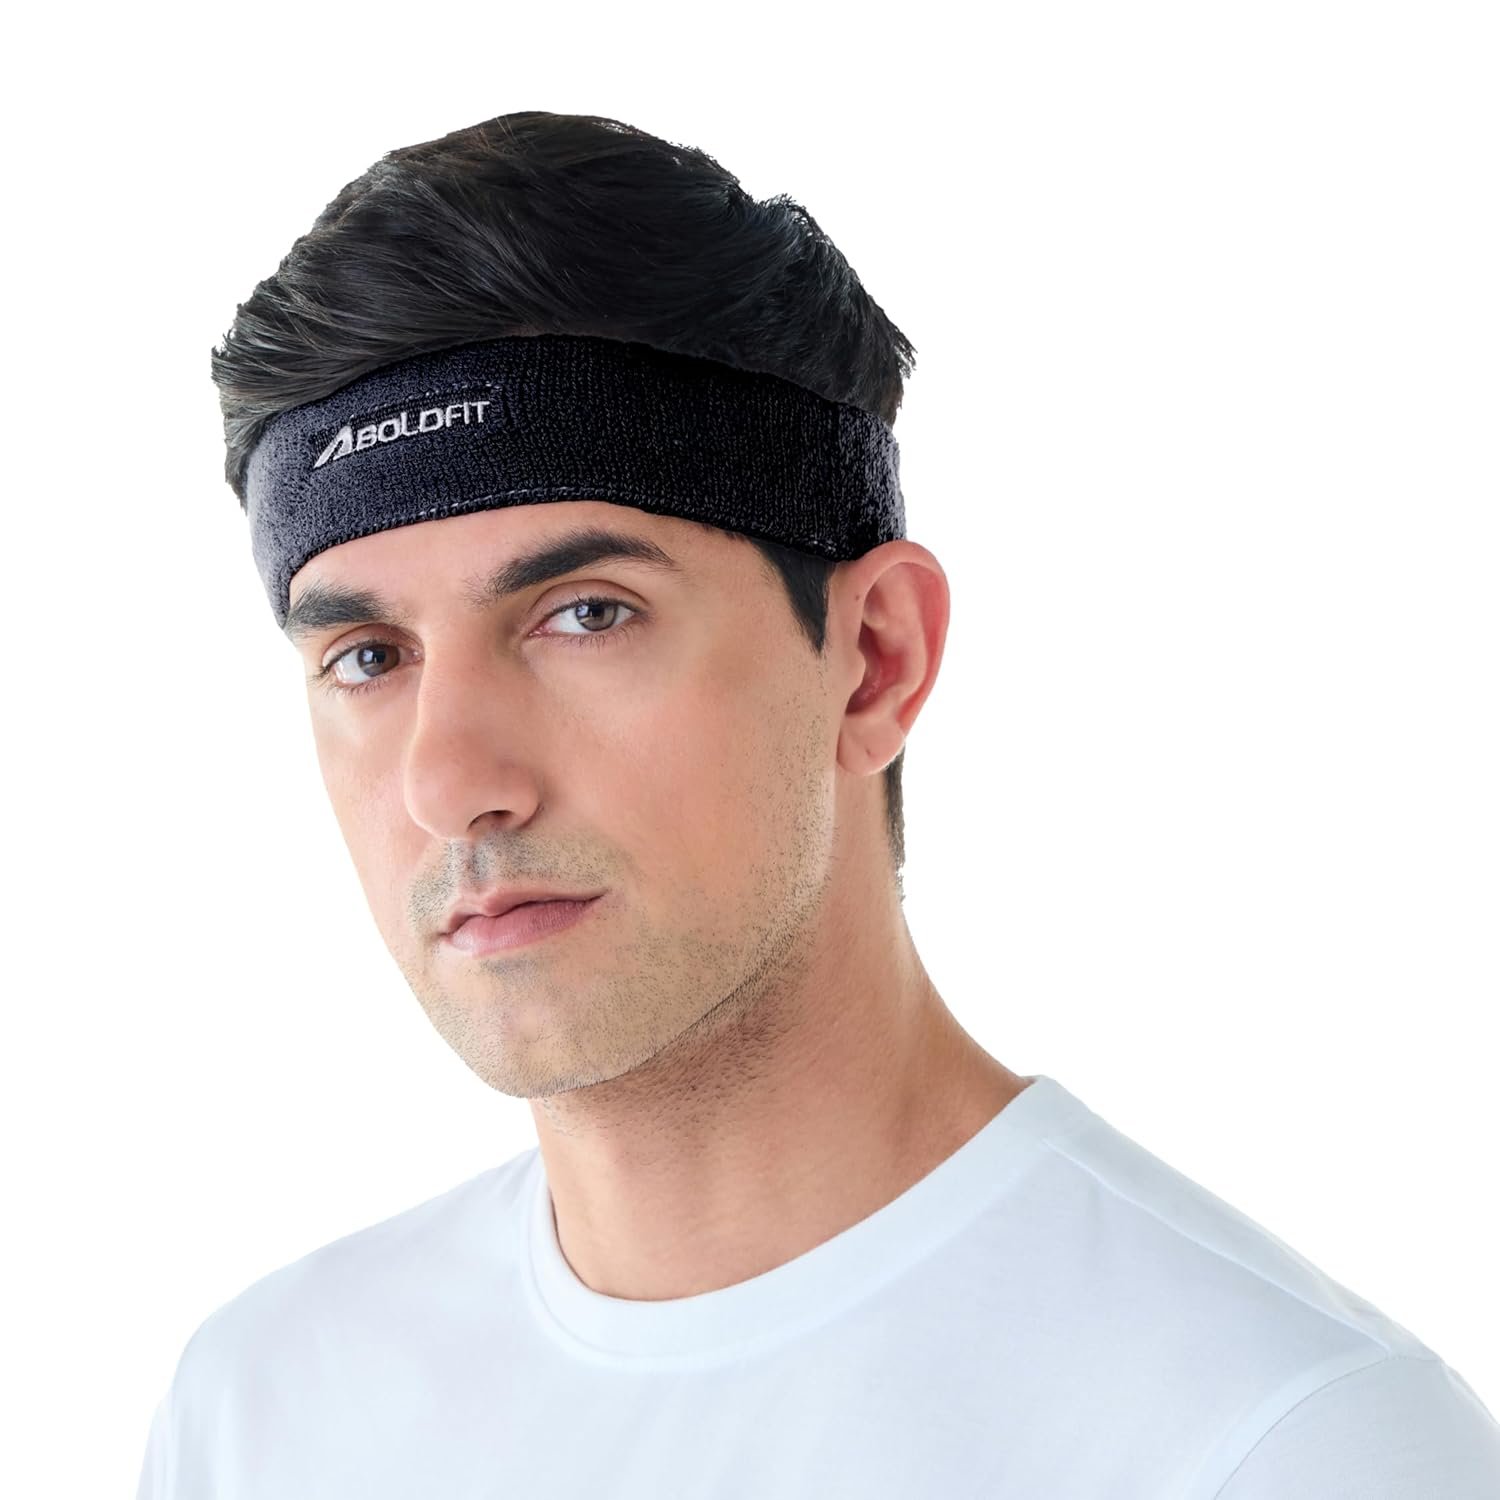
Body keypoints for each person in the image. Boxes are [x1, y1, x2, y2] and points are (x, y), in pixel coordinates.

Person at [135, 110, 1500, 1498]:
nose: (449, 783)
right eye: (369, 657)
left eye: (585, 614)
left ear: (875, 660)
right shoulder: (261, 1411)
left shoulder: (1281, 1445)